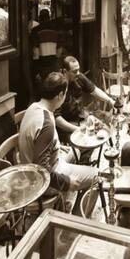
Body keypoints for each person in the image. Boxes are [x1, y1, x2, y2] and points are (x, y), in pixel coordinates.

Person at [19, 72, 98, 201]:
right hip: (39, 183)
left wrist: (57, 147)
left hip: (31, 170)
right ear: (60, 95)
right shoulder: (46, 124)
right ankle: (75, 217)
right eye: (65, 93)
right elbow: (42, 171)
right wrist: (66, 182)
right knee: (97, 175)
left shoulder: (34, 106)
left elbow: (37, 143)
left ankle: (66, 201)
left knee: (76, 151)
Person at [54, 56, 115, 143]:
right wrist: (77, 129)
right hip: (67, 124)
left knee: (105, 126)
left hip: (81, 116)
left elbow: (94, 90)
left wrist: (110, 101)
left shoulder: (78, 77)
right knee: (86, 140)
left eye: (78, 69)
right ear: (64, 71)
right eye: (74, 71)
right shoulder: (57, 85)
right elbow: (56, 118)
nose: (78, 73)